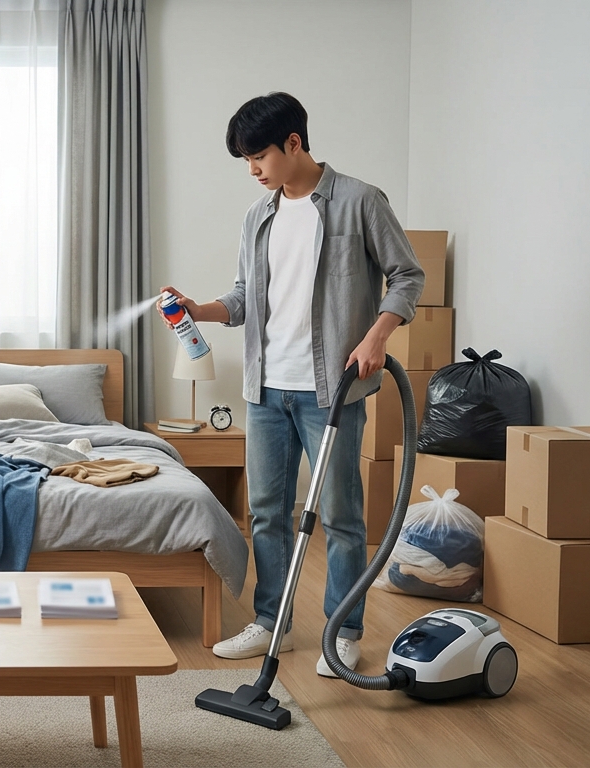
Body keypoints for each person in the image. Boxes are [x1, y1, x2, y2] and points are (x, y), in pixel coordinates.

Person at [162, 92, 423, 677]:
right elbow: (243, 297)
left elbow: (408, 276)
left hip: (332, 391)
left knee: (340, 514)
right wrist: (198, 309)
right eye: (246, 160)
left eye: (258, 156)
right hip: (265, 390)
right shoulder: (259, 216)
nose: (252, 170)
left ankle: (343, 631)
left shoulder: (360, 201)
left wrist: (377, 336)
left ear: (294, 143)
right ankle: (270, 621)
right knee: (266, 513)